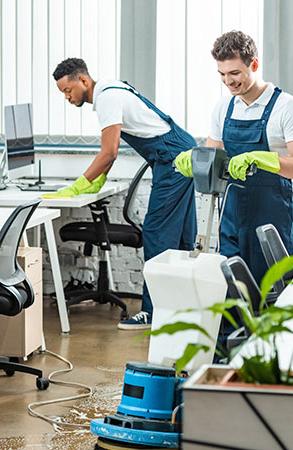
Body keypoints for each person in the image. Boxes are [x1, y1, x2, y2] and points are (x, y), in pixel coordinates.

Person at [51, 58, 197, 330]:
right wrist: (98, 179)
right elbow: (112, 151)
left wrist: (80, 184)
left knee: (157, 233)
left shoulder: (106, 99)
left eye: (68, 90)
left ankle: (154, 313)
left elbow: (109, 151)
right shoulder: (111, 89)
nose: (67, 97)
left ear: (83, 81)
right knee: (181, 236)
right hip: (180, 152)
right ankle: (184, 308)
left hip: (173, 159)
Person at [175, 31, 293, 285]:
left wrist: (264, 160)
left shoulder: (287, 107)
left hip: (270, 222)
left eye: (235, 73)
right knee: (230, 296)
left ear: (255, 65)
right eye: (222, 74)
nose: (228, 81)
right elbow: (214, 159)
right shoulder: (224, 108)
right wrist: (196, 160)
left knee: (268, 297)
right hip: (230, 217)